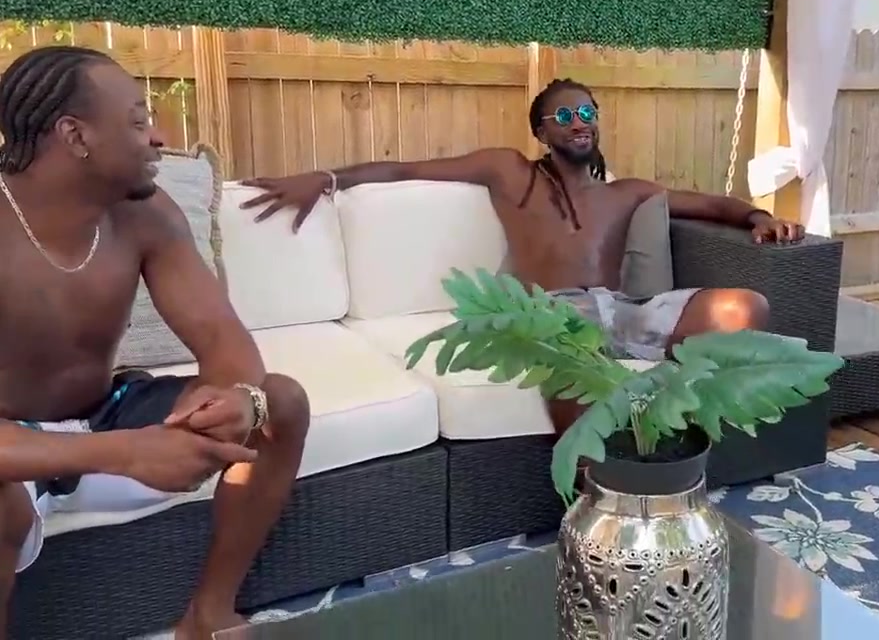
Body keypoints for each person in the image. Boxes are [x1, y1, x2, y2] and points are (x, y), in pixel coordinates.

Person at [0, 46, 311, 639]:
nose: (160, 137)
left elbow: (222, 339)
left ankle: (207, 615)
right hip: (17, 441)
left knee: (281, 402)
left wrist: (239, 400)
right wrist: (124, 453)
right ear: (75, 135)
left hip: (108, 410)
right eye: (139, 121)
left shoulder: (146, 213)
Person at [240, 77, 806, 362]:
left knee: (745, 308)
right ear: (541, 131)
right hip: (549, 314)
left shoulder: (628, 193)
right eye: (564, 115)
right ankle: (590, 479)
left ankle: (684, 432)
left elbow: (712, 205)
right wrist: (329, 178)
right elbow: (405, 167)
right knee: (563, 343)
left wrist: (759, 215)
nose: (579, 122)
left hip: (625, 310)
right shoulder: (510, 172)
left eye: (586, 112)